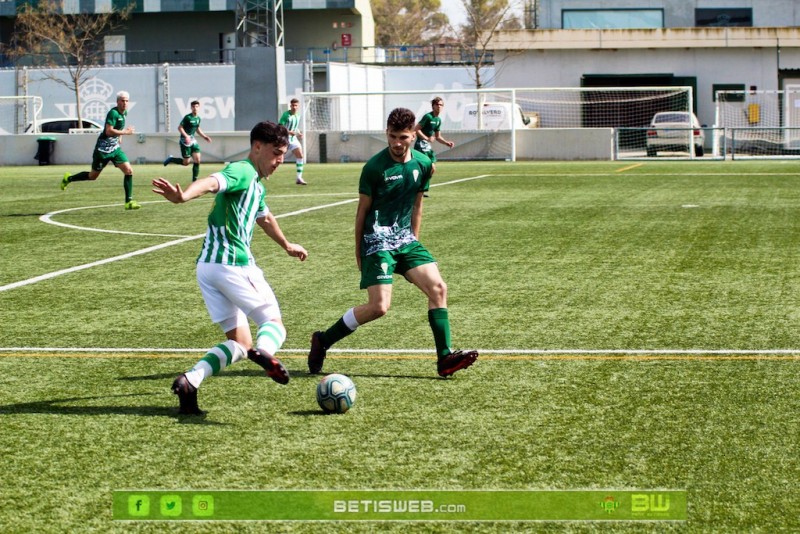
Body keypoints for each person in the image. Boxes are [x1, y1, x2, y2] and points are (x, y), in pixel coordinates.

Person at [307, 107, 477, 378]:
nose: (397, 143)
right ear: (386, 134)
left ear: (414, 136)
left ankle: (445, 358)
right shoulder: (374, 168)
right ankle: (324, 340)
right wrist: (358, 249)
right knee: (379, 307)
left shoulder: (423, 164)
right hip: (376, 240)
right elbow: (362, 210)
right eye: (393, 136)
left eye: (404, 137)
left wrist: (414, 242)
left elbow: (417, 204)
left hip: (406, 240)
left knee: (438, 288)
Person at [152, 121, 309, 415]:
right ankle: (267, 353)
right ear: (257, 147)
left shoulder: (256, 186)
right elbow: (214, 181)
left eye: (283, 155)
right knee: (273, 326)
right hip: (232, 264)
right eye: (276, 154)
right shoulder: (242, 171)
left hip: (208, 269)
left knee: (240, 344)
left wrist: (287, 245)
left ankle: (190, 380)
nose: (279, 162)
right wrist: (184, 195)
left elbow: (264, 218)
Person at [60, 91, 141, 210]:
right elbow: (108, 131)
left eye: (126, 101)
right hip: (102, 151)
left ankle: (128, 202)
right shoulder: (113, 113)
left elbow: (118, 127)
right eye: (122, 100)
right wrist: (125, 133)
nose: (124, 103)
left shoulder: (124, 113)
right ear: (117, 101)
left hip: (115, 150)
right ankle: (69, 178)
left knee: (129, 171)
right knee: (92, 176)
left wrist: (120, 136)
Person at [163, 100, 212, 182]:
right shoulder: (187, 117)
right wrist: (186, 136)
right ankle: (171, 159)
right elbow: (180, 128)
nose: (195, 108)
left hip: (193, 140)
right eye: (193, 107)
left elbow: (197, 128)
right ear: (191, 108)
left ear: (199, 107)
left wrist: (204, 136)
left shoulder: (198, 118)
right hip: (185, 141)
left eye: (196, 106)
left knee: (198, 160)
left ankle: (194, 180)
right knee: (186, 163)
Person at [414, 96, 454, 197]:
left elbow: (438, 136)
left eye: (441, 105)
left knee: (431, 169)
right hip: (421, 146)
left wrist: (446, 143)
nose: (439, 106)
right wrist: (426, 138)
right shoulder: (428, 117)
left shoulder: (438, 120)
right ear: (433, 106)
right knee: (429, 167)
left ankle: (420, 188)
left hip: (427, 147)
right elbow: (417, 129)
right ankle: (418, 189)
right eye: (437, 104)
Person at [278, 98, 307, 185]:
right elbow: (280, 127)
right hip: (284, 139)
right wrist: (289, 132)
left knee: (300, 156)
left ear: (298, 106)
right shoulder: (286, 115)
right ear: (290, 106)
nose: (294, 107)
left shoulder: (298, 116)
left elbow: (295, 127)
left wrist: (299, 133)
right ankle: (264, 172)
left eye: (296, 105)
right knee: (279, 159)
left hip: (293, 139)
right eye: (293, 105)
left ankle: (299, 178)